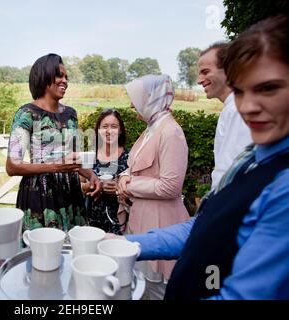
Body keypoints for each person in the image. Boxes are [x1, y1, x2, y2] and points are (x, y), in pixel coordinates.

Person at [111, 14, 289, 300]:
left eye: (268, 88)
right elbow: (208, 222)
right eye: (240, 92)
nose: (249, 107)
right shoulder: (254, 158)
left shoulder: (282, 185)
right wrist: (129, 244)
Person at [6, 53, 101, 232]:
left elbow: (70, 160)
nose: (65, 81)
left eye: (66, 77)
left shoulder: (71, 114)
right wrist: (56, 167)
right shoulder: (27, 114)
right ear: (43, 75)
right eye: (59, 75)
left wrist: (90, 175)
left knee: (74, 252)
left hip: (71, 195)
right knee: (43, 255)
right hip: (40, 198)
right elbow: (12, 166)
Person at [117, 74, 190, 299]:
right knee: (141, 287)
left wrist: (129, 184)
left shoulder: (171, 132)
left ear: (152, 99)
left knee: (155, 290)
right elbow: (138, 164)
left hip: (160, 222)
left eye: (137, 99)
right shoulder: (152, 128)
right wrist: (125, 175)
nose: (131, 104)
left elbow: (171, 186)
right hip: (141, 219)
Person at [197, 42, 253, 189]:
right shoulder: (231, 107)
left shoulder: (236, 109)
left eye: (205, 72)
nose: (199, 80)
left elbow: (231, 170)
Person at [81, 109, 129, 235]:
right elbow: (79, 186)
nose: (108, 131)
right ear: (98, 130)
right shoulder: (89, 156)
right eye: (104, 127)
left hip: (120, 223)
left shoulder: (130, 157)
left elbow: (137, 188)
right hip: (91, 222)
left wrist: (118, 189)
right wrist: (93, 186)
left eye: (114, 127)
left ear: (120, 130)